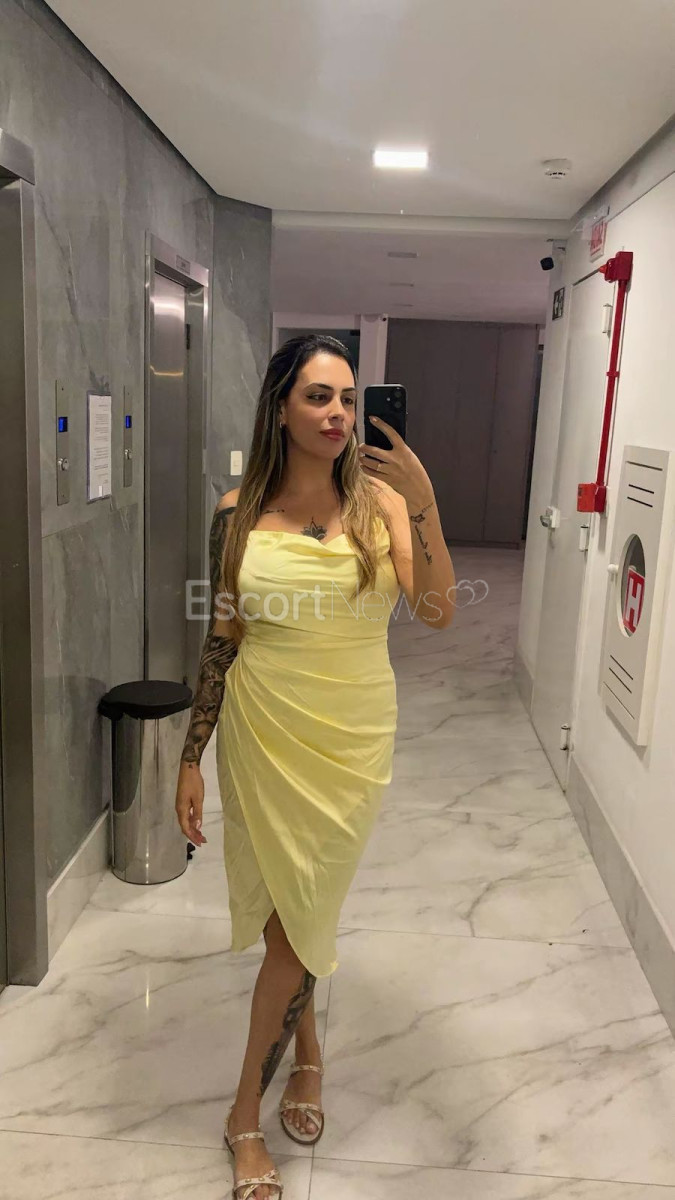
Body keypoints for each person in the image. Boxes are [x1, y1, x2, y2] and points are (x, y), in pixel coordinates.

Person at [175, 333, 456, 1199]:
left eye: (347, 398)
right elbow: (223, 635)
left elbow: (438, 610)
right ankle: (297, 1069)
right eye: (318, 396)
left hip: (349, 738)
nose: (337, 414)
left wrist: (424, 504)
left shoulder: (382, 505)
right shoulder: (234, 512)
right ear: (280, 408)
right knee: (283, 926)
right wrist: (190, 756)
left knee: (302, 922)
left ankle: (241, 1115)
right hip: (260, 730)